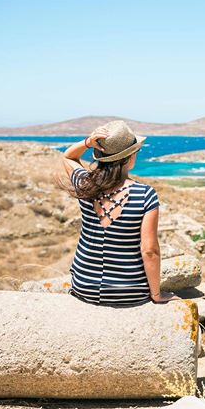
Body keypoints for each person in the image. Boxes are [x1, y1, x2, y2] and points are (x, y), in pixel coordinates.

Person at [61, 120, 177, 305]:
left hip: (84, 286)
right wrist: (157, 295)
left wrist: (88, 143)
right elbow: (149, 251)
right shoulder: (145, 195)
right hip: (129, 291)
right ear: (129, 157)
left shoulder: (85, 185)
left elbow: (67, 157)